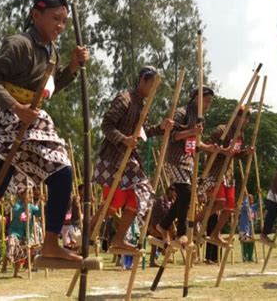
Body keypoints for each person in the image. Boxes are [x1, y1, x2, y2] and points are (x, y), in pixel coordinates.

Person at [0, 0, 90, 267]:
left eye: (64, 21)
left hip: (32, 118)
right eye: (55, 19)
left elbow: (48, 89)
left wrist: (72, 67)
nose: (60, 27)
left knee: (62, 171)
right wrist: (15, 108)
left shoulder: (52, 52)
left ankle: (50, 243)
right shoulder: (19, 44)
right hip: (3, 118)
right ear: (36, 15)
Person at [91, 66, 174, 252]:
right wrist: (124, 139)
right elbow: (106, 125)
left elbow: (143, 133)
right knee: (113, 203)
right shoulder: (124, 99)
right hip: (112, 159)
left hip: (128, 162)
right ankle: (88, 236)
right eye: (152, 85)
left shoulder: (142, 107)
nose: (153, 91)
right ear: (143, 80)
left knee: (140, 197)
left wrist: (161, 127)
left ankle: (118, 239)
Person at [156, 86, 220, 247]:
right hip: (175, 159)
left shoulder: (200, 118)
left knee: (186, 196)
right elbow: (172, 135)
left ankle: (163, 225)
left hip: (188, 161)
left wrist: (208, 147)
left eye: (210, 102)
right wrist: (192, 131)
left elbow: (195, 142)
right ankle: (181, 233)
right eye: (206, 101)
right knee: (185, 193)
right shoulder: (182, 113)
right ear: (196, 98)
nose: (207, 105)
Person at [198, 108, 253, 245]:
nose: (245, 121)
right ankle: (193, 222)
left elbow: (236, 154)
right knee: (220, 202)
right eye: (243, 117)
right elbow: (207, 146)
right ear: (235, 117)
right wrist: (224, 151)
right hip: (215, 171)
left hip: (228, 174)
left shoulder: (240, 134)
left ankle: (215, 234)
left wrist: (246, 152)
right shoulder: (221, 130)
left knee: (229, 207)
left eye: (247, 118)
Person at [5, 191, 40, 278]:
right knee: (13, 244)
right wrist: (24, 207)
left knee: (20, 255)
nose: (29, 195)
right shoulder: (17, 205)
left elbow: (38, 213)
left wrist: (41, 204)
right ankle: (9, 256)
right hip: (15, 232)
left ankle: (16, 273)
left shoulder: (31, 207)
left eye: (30, 194)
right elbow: (16, 212)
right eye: (27, 194)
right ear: (22, 195)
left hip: (26, 233)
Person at [148, 185, 176, 267]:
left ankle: (165, 253)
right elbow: (163, 212)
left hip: (166, 224)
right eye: (173, 191)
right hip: (156, 223)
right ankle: (156, 258)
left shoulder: (172, 201)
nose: (174, 193)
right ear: (169, 191)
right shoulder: (161, 200)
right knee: (162, 236)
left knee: (169, 236)